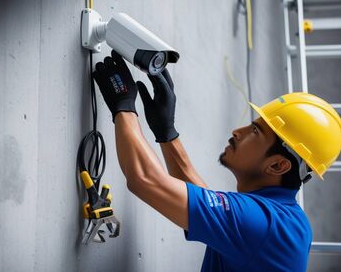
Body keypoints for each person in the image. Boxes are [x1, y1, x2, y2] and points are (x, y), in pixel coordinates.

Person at [93, 50, 341, 272]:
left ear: (278, 165)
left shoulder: (263, 223)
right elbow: (203, 203)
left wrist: (124, 106)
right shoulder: (283, 221)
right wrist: (166, 132)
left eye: (255, 132)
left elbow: (146, 180)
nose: (238, 131)